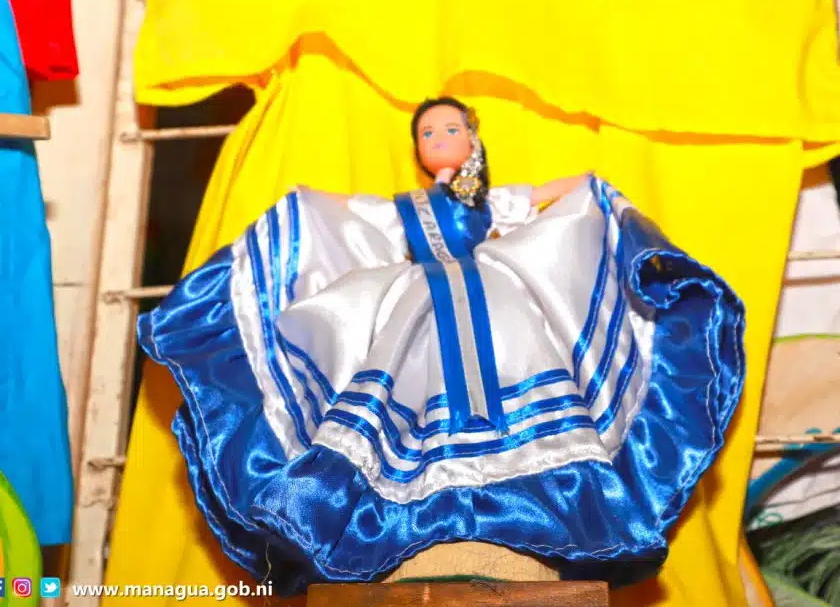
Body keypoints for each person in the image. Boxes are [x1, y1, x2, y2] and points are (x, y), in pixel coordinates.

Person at [136, 97, 746, 595]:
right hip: (419, 299)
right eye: (428, 133)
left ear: (472, 137)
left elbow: (548, 194)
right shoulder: (409, 208)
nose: (439, 140)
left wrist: (591, 189)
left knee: (515, 367)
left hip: (493, 297)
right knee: (407, 382)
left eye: (450, 129)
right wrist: (306, 203)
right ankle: (420, 506)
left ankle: (519, 506)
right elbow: (357, 214)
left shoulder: (488, 203)